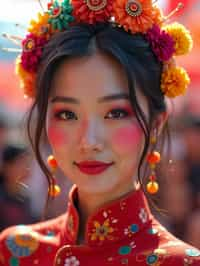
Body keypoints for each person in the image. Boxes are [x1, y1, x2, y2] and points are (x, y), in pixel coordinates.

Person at [0, 0, 199, 265]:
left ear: (156, 123)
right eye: (67, 114)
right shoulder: (16, 252)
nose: (89, 141)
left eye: (116, 113)